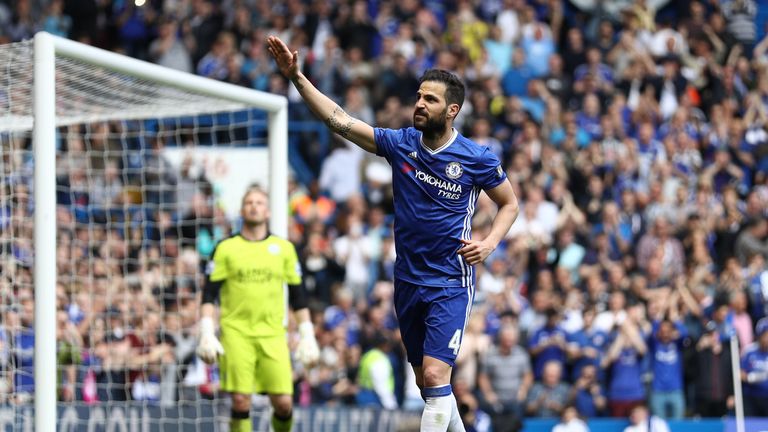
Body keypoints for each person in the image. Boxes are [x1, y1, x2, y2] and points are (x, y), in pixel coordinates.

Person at [267, 35, 520, 432]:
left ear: (452, 110)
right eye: (419, 97)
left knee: (437, 378)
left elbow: (510, 204)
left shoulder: (476, 158)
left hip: (449, 280)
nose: (420, 104)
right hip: (406, 280)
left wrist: (489, 243)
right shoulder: (402, 144)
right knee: (427, 385)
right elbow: (340, 120)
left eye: (430, 100)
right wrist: (297, 77)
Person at [196, 186, 320, 432]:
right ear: (242, 210)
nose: (254, 206)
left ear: (268, 211)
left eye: (259, 202)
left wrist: (308, 335)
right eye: (249, 202)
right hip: (236, 334)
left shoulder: (284, 249)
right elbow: (209, 294)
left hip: (273, 335)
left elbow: (298, 296)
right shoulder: (225, 248)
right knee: (241, 400)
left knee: (284, 403)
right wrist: (207, 331)